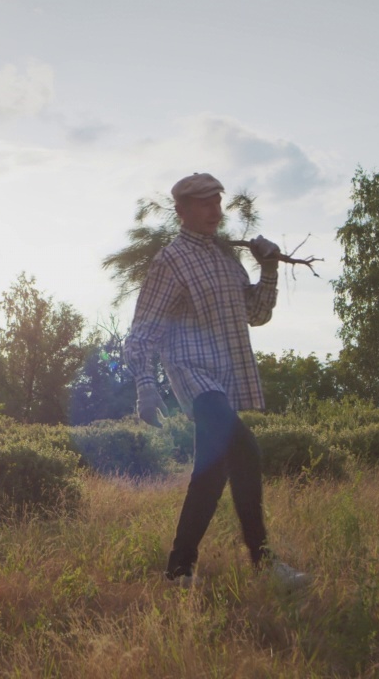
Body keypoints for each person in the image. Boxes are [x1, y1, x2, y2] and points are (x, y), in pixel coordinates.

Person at [124, 172, 311, 590]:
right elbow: (143, 330)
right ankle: (264, 566)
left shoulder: (227, 259)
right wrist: (145, 385)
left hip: (226, 376)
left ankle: (178, 572)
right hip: (192, 374)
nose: (214, 211)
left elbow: (256, 315)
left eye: (217, 202)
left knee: (210, 474)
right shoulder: (170, 261)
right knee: (245, 450)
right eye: (204, 203)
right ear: (182, 211)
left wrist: (268, 269)